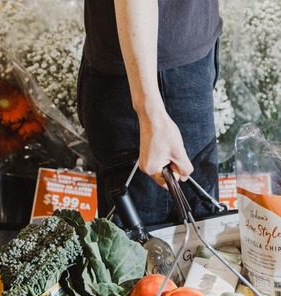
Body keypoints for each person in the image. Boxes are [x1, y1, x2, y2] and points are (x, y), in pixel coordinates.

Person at [77, 0, 222, 225]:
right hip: (158, 78)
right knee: (152, 251)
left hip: (186, 55)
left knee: (194, 245)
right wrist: (150, 113)